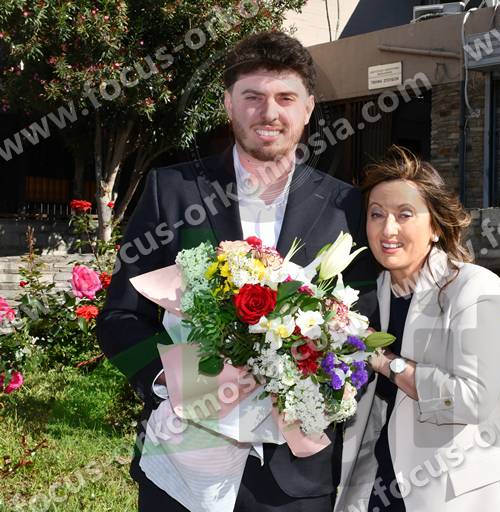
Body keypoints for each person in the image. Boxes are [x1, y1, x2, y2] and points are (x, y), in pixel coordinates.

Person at [96, 32, 376, 512]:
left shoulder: (346, 206)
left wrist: (316, 380)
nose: (269, 112)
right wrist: (174, 383)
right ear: (229, 104)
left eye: (285, 98)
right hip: (182, 461)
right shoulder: (173, 191)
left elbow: (364, 329)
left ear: (308, 108)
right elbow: (119, 317)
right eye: (252, 97)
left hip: (292, 478)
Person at [335, 146, 500, 512]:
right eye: (376, 214)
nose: (388, 229)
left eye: (405, 214)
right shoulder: (371, 293)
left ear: (436, 226)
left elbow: (475, 400)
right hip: (384, 479)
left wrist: (386, 362)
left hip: (456, 493)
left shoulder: (472, 287)